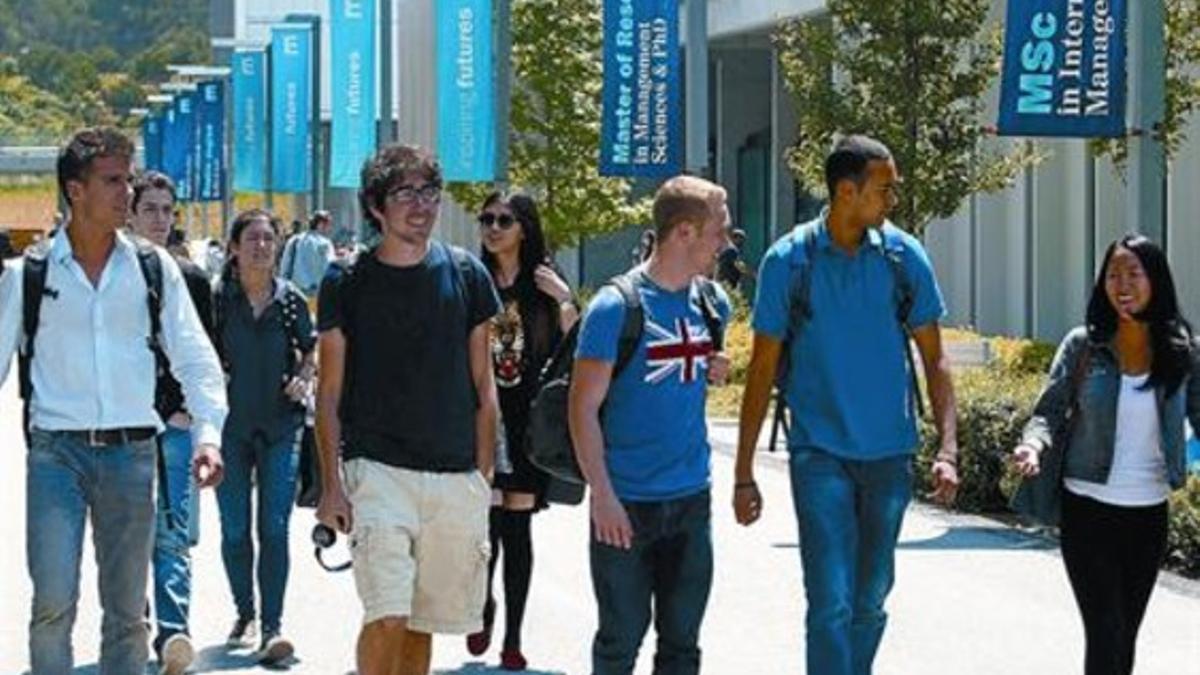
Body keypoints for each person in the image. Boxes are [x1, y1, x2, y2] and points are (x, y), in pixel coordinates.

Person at [0, 127, 227, 674]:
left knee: (127, 614)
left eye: (128, 179)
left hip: (132, 455)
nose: (127, 192)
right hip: (57, 456)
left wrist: (208, 437)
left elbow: (196, 359)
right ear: (75, 190)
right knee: (52, 604)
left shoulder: (154, 269)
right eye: (113, 181)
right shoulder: (27, 275)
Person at [733, 135, 960, 675]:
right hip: (820, 454)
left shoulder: (904, 258)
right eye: (884, 189)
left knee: (870, 598)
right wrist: (743, 473)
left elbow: (936, 360)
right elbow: (762, 369)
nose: (892, 200)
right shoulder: (790, 261)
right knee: (831, 600)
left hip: (890, 456)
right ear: (846, 191)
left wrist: (948, 446)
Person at [315, 144, 501, 675]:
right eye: (404, 194)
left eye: (428, 192)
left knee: (423, 623)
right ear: (376, 206)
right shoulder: (346, 282)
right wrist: (332, 485)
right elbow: (328, 394)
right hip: (376, 474)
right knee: (387, 614)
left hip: (453, 475)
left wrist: (482, 476)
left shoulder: (466, 275)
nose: (420, 205)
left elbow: (483, 387)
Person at [1010, 234, 1198, 675]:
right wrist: (1031, 445)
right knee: (1106, 629)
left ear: (1156, 281)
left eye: (1134, 272)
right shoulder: (1083, 345)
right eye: (1113, 274)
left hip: (1149, 511)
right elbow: (1048, 412)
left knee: (1125, 636)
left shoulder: (1182, 351)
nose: (1122, 283)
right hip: (1088, 509)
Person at [569, 175, 733, 675]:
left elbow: (679, 378)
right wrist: (603, 496)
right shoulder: (615, 308)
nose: (725, 242)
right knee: (620, 640)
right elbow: (582, 409)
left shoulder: (711, 304)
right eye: (719, 231)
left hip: (690, 499)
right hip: (627, 503)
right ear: (684, 232)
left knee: (683, 645)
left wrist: (712, 368)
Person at [465, 191, 579, 670]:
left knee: (518, 527)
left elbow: (577, 341)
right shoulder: (475, 279)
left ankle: (512, 634)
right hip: (483, 415)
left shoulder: (543, 282)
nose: (493, 228)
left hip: (528, 418)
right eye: (487, 219)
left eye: (504, 220)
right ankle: (481, 607)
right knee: (486, 523)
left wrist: (566, 300)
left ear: (523, 228)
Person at [213, 209, 316, 665]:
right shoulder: (217, 301)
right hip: (229, 429)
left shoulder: (291, 301)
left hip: (281, 426)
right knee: (235, 529)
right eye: (251, 239)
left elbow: (312, 348)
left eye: (268, 240)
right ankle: (245, 612)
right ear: (233, 247)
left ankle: (273, 624)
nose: (260, 247)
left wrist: (303, 376)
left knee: (273, 527)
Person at [128, 170, 216, 674]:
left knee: (173, 532)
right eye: (151, 209)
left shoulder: (194, 278)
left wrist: (197, 416)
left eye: (167, 210)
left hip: (177, 425)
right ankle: (133, 617)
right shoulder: (116, 274)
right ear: (131, 214)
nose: (161, 219)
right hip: (126, 424)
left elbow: (207, 354)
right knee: (127, 531)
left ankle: (173, 630)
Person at [279, 209, 335, 301]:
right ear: (320, 224)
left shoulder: (294, 240)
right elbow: (328, 267)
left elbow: (285, 265)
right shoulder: (324, 244)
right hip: (316, 292)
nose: (329, 228)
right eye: (328, 225)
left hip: (293, 290)